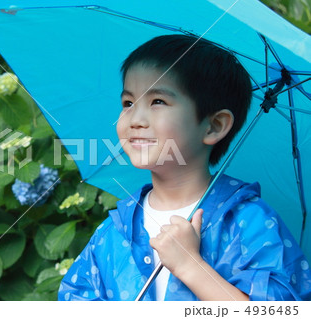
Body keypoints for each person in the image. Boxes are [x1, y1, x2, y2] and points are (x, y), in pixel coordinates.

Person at [57, 35, 311, 301]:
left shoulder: (248, 224)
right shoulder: (114, 232)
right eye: (128, 103)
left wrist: (191, 266)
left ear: (213, 126)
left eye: (158, 102)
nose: (135, 119)